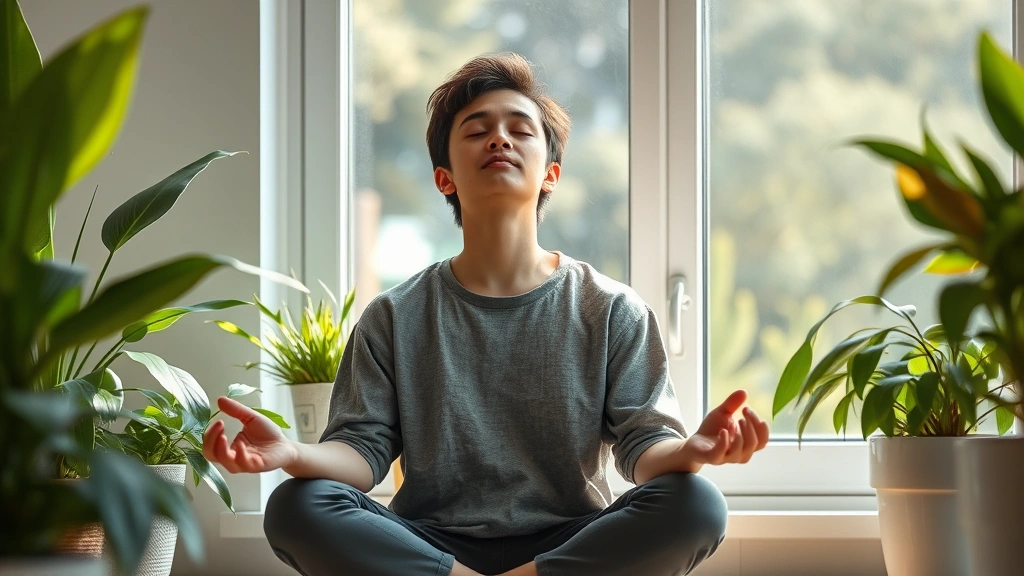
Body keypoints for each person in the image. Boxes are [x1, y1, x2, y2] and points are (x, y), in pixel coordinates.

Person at [203, 52, 770, 576]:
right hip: (430, 547)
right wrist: (294, 454)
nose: (500, 138)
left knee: (695, 502)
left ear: (550, 171)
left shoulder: (612, 309)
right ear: (444, 177)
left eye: (520, 130)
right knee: (298, 503)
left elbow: (645, 453)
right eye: (477, 130)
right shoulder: (394, 316)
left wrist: (691, 449)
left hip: (567, 544)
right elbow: (362, 453)